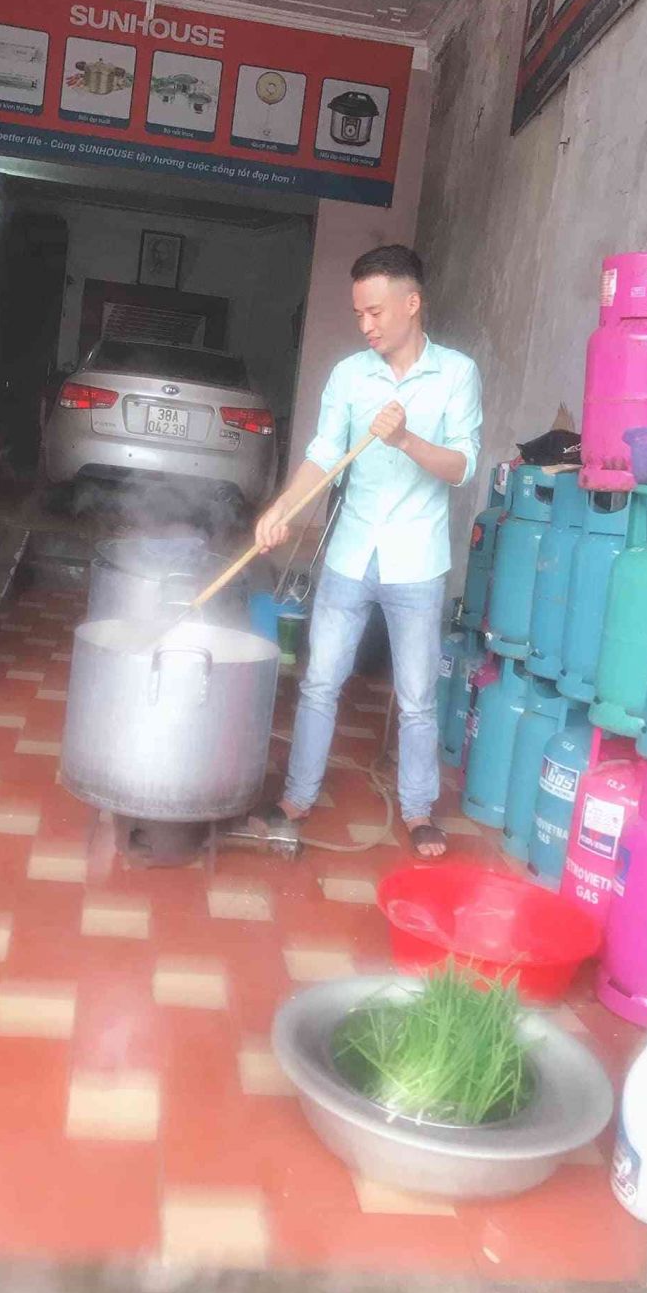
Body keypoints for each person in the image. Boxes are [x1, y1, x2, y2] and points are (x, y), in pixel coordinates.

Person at [252, 244, 482, 859]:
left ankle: (418, 810)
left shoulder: (456, 373)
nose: (366, 326)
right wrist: (282, 508)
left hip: (417, 561)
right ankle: (296, 798)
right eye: (359, 314)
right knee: (318, 682)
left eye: (375, 312)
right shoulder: (350, 376)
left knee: (417, 699)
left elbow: (462, 466)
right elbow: (324, 454)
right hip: (350, 554)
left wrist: (405, 438)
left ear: (412, 303)